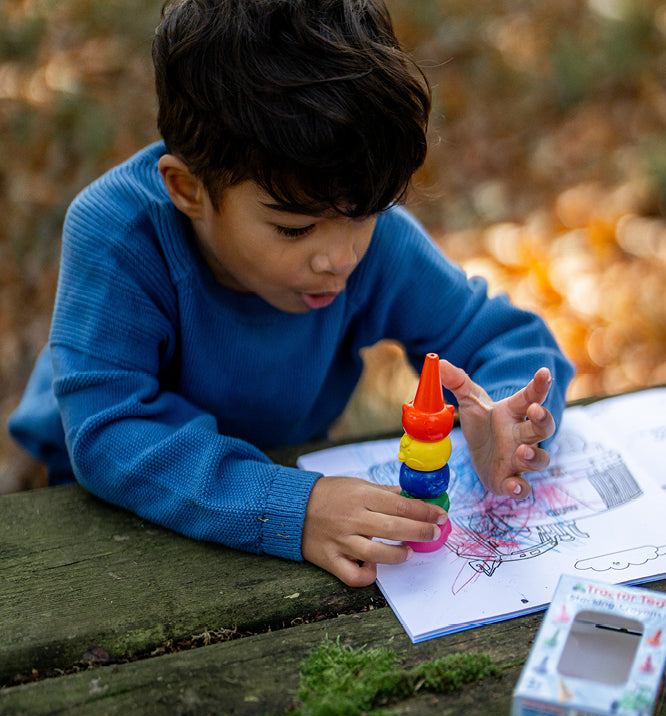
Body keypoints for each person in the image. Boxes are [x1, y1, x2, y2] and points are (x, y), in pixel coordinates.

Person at [8, 0, 574, 587]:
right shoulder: (118, 238)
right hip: (84, 505)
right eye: (294, 229)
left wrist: (506, 414)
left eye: (366, 213)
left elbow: (507, 336)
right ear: (188, 189)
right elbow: (108, 431)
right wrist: (293, 507)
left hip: (283, 484)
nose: (341, 259)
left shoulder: (369, 241)